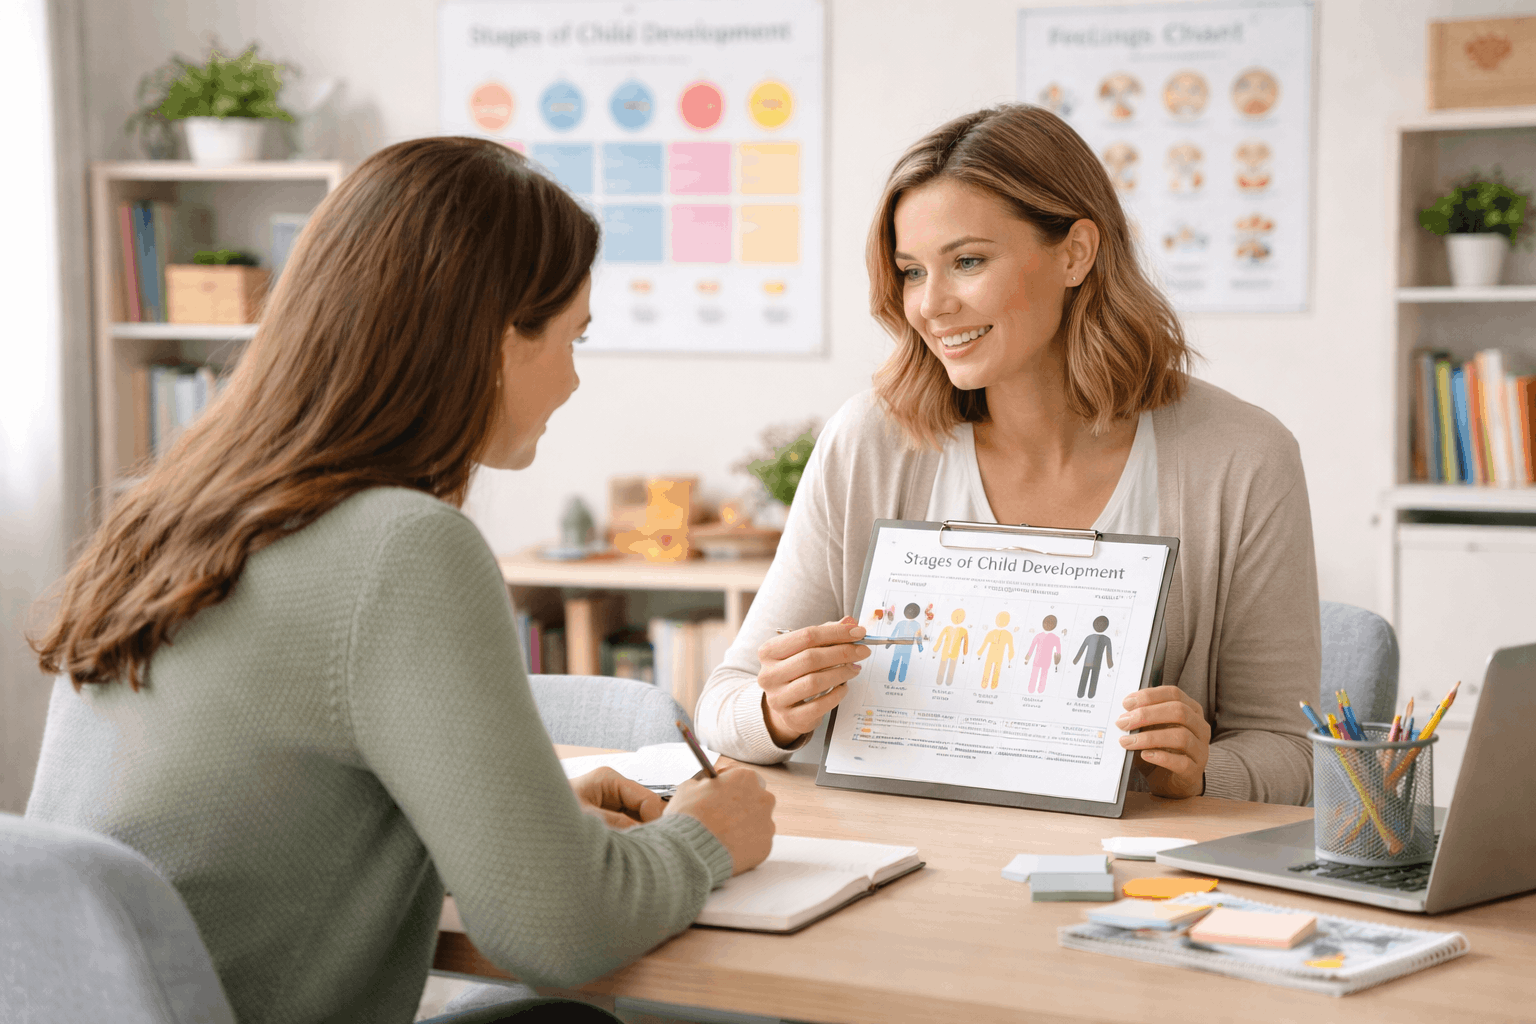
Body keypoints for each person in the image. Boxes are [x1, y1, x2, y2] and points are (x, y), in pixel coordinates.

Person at [26, 137, 776, 1024]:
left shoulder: (167, 516)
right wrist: (706, 840)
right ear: (494, 337)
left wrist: (531, 832)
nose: (575, 379)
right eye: (572, 338)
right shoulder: (402, 547)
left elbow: (260, 821)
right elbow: (561, 936)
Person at [695, 105, 1320, 805]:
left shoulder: (1244, 457)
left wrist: (1199, 773)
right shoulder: (869, 441)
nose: (931, 306)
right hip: (909, 858)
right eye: (910, 272)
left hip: (1127, 877)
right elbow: (723, 707)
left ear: (1076, 253)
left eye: (967, 262)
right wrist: (776, 713)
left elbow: (1292, 753)